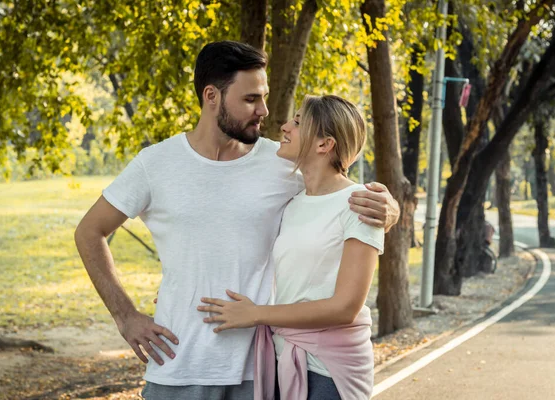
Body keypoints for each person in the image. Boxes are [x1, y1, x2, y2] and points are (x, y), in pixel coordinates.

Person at [74, 41, 399, 400]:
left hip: (260, 369)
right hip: (177, 362)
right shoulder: (155, 164)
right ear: (212, 96)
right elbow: (90, 231)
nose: (264, 110)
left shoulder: (283, 164)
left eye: (263, 97)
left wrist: (389, 208)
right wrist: (125, 316)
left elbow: (335, 190)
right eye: (250, 99)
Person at [198, 95, 381, 400]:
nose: (284, 126)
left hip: (330, 370)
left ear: (324, 145)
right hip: (285, 358)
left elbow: (345, 307)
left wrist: (257, 314)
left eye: (298, 122)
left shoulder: (359, 204)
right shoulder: (293, 203)